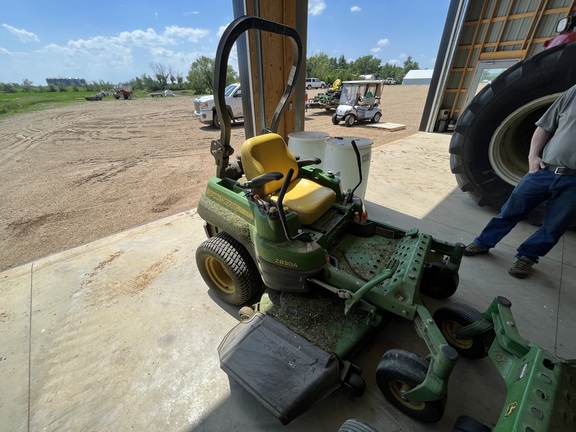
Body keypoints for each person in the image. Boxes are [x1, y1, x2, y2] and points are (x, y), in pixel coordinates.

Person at [464, 83, 576, 278]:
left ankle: (527, 257)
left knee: (553, 227)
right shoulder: (573, 93)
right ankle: (483, 243)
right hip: (544, 170)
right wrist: (533, 157)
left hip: (574, 183)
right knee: (510, 211)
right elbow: (545, 126)